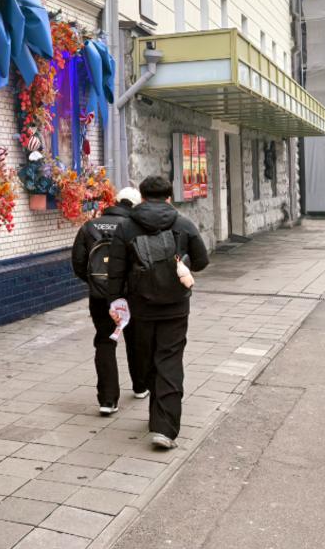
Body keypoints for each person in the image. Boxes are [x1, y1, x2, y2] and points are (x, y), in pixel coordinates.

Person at [106, 175, 209, 450]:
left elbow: (115, 271)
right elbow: (202, 260)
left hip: (140, 307)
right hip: (175, 307)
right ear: (169, 197)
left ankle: (158, 416)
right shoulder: (183, 223)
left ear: (141, 197)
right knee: (170, 361)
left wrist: (115, 303)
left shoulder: (127, 227)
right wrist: (182, 263)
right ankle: (164, 428)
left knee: (148, 359)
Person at [71, 186, 147, 416]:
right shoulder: (135, 228)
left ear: (115, 201)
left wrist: (96, 284)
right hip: (130, 295)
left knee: (105, 341)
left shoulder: (89, 226)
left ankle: (107, 400)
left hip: (100, 295)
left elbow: (78, 263)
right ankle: (140, 386)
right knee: (135, 339)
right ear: (135, 205)